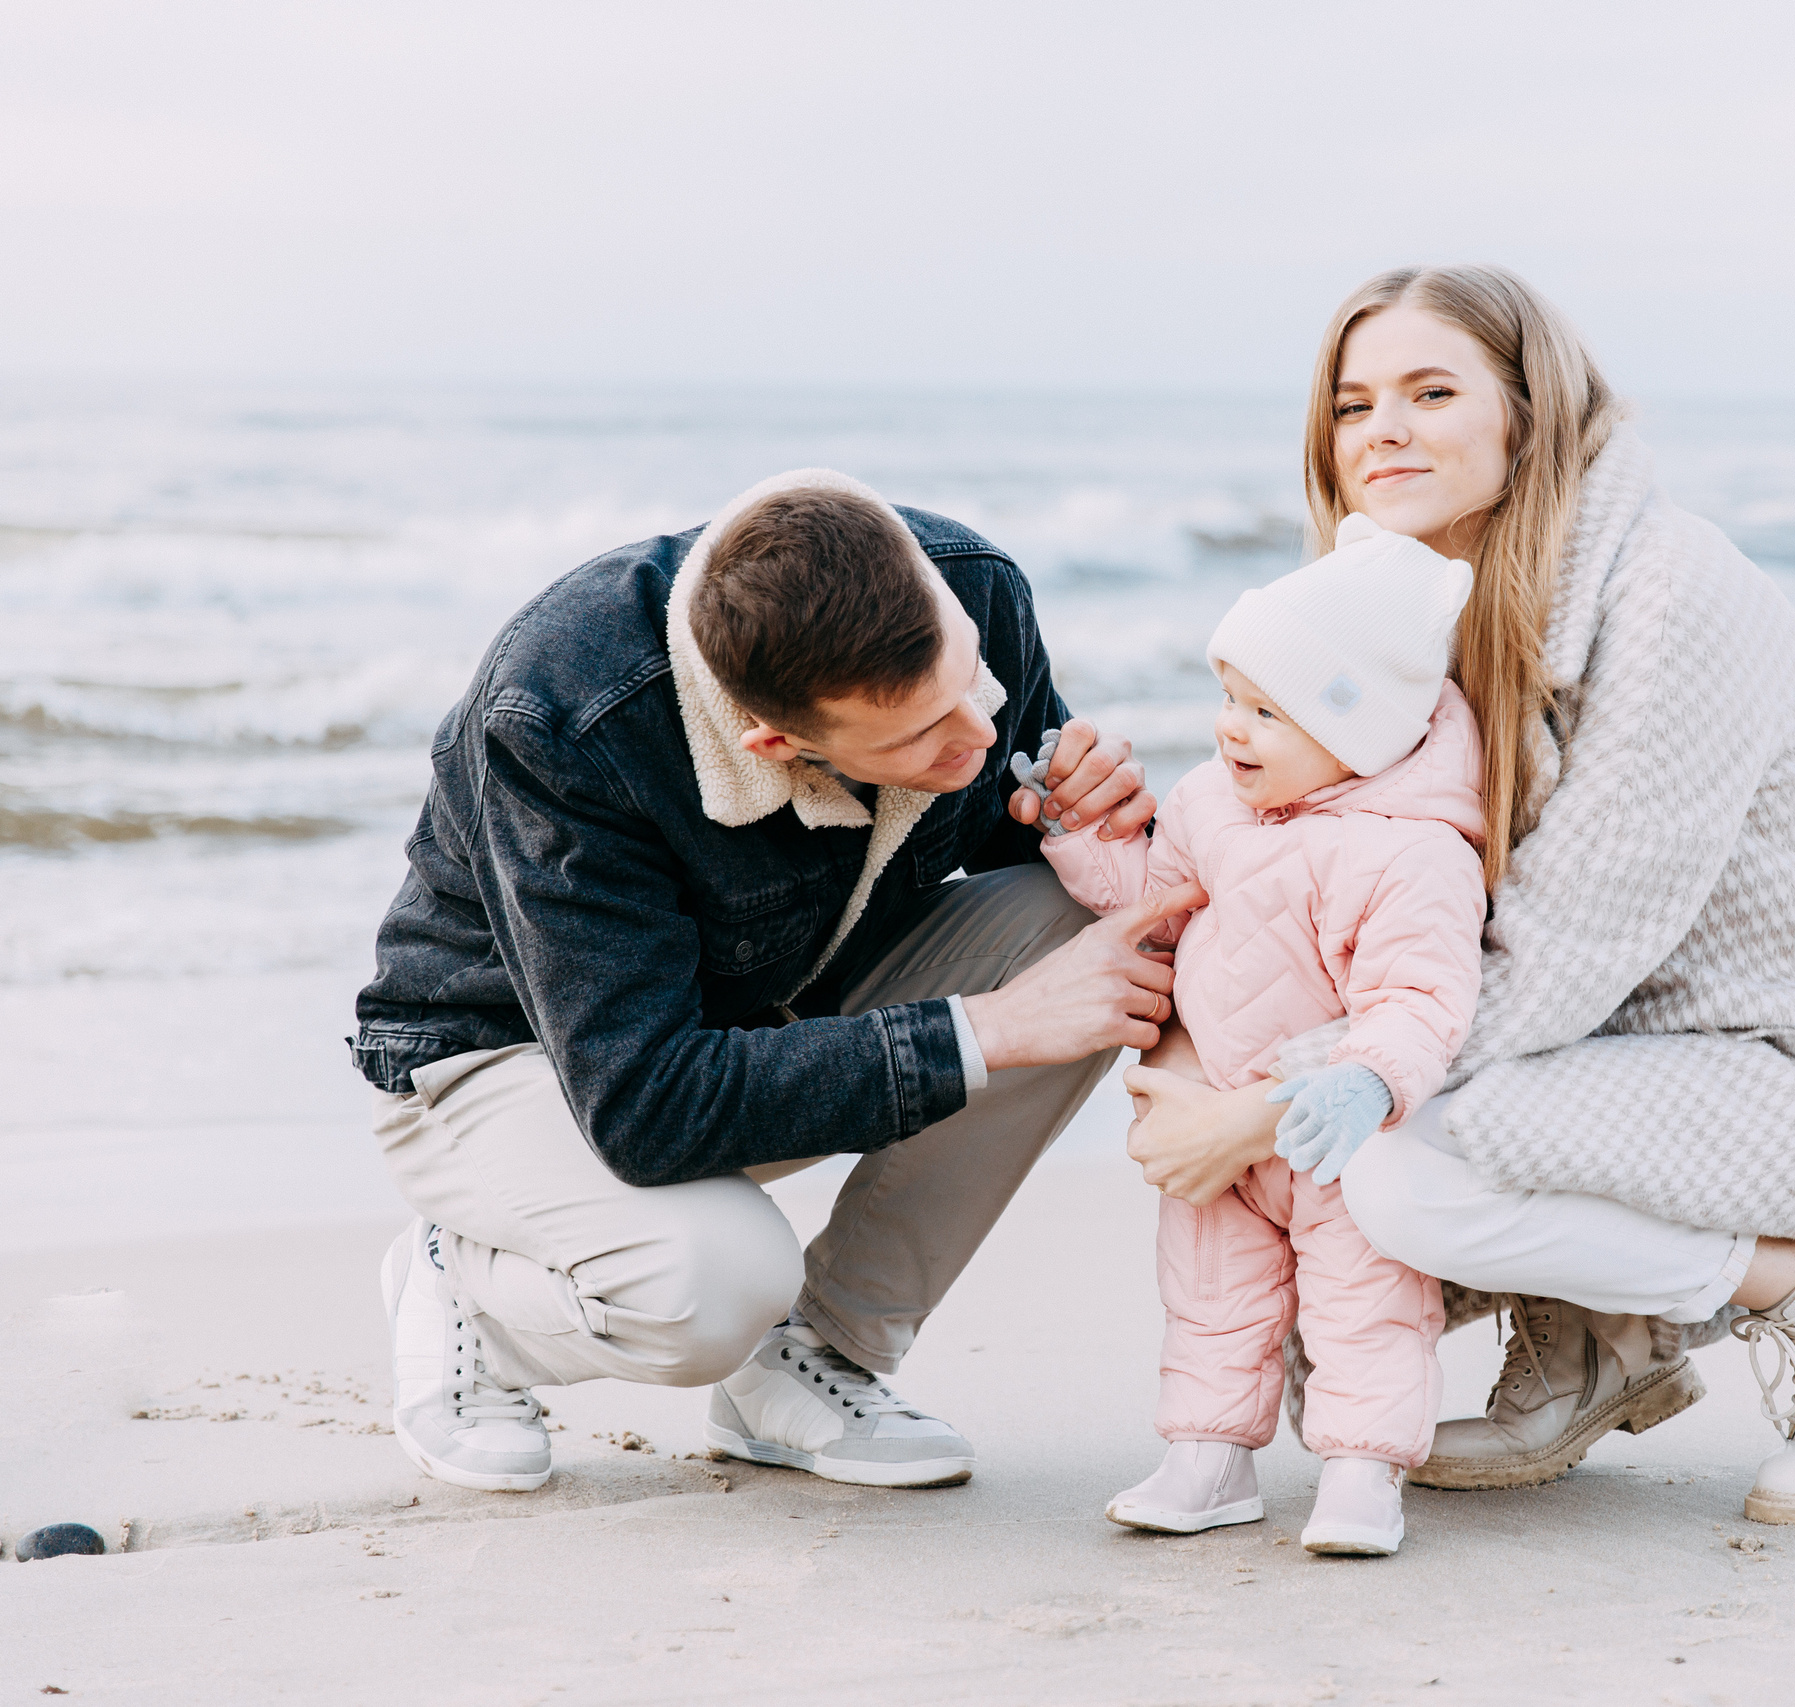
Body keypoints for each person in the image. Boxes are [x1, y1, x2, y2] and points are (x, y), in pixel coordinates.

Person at [1119, 267, 1795, 1527]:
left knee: (1396, 1179)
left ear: (1530, 414)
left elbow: (1556, 962)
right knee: (1318, 1333)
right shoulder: (1406, 618)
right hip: (1620, 1050)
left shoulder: (1670, 597)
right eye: (1355, 405)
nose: (1385, 432)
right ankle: (1598, 1337)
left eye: (1431, 392)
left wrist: (1254, 1105)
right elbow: (1289, 892)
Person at [354, 468, 1197, 1494]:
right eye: (920, 738)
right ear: (774, 741)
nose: (978, 736)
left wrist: (1086, 821)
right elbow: (646, 1106)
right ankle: (471, 1296)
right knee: (712, 1286)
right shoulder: (566, 718)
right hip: (507, 1061)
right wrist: (986, 1031)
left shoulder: (967, 589)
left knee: (1093, 934)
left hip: (783, 1001)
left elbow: (1006, 829)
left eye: (969, 685)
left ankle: (817, 1360)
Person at [1020, 515, 1484, 1557]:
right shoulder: (1208, 803)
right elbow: (1149, 898)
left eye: (1268, 711)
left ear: (1358, 729)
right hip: (1211, 1121)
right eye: (1229, 697)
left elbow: (1424, 998)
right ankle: (1208, 1456)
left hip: (1327, 1132)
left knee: (1367, 1305)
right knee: (1209, 1295)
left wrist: (1367, 1082)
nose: (1233, 728)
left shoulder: (1413, 855)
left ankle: (1364, 1472)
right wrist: (1078, 832)